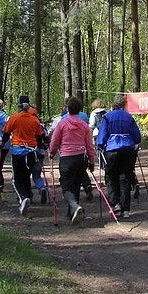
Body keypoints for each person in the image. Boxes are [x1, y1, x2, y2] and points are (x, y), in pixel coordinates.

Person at [48, 96, 97, 225]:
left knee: (66, 186)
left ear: (68, 108)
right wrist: (92, 161)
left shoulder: (62, 124)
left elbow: (55, 141)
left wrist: (51, 152)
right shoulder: (84, 125)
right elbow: (89, 145)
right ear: (80, 109)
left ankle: (74, 206)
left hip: (66, 158)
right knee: (76, 184)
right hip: (81, 157)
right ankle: (72, 213)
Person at [96, 94, 142, 219]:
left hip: (112, 150)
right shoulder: (129, 117)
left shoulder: (107, 117)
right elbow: (137, 136)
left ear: (113, 104)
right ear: (124, 105)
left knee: (111, 176)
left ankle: (115, 203)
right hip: (127, 150)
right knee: (125, 178)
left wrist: (100, 145)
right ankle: (125, 210)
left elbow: (102, 136)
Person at [2, 96, 45, 216]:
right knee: (26, 176)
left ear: (19, 106)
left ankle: (23, 197)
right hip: (31, 152)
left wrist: (1, 145)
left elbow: (6, 134)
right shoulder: (34, 120)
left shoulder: (14, 118)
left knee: (16, 179)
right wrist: (40, 148)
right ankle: (29, 196)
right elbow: (39, 137)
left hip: (17, 152)